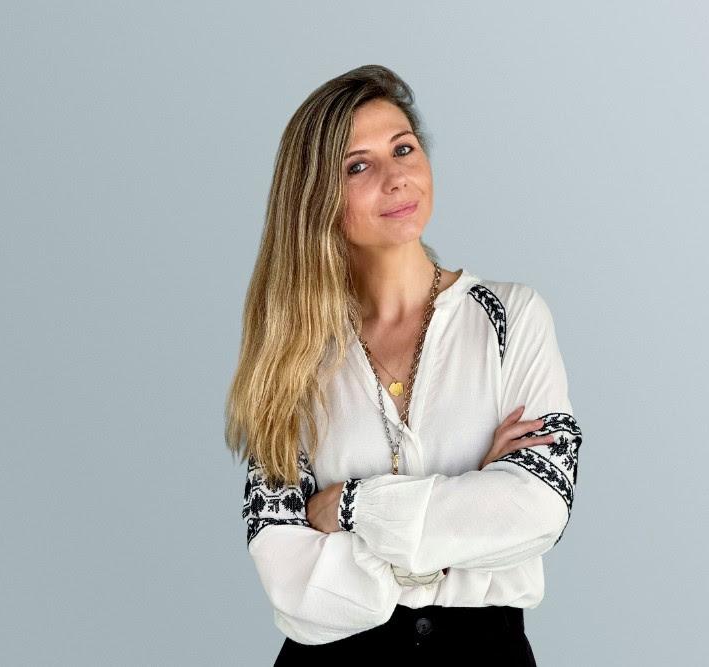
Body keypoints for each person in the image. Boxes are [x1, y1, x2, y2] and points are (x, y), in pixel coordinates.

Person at [225, 64, 582, 666]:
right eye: (357, 167)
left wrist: (348, 508)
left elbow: (538, 509)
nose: (396, 178)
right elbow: (289, 577)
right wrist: (464, 519)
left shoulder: (511, 317)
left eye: (403, 149)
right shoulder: (291, 353)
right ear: (316, 197)